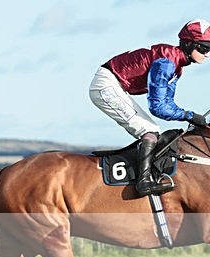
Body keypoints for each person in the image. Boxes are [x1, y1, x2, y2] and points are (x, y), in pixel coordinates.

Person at [89, 18, 210, 196]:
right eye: (204, 48)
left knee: (152, 130)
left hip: (114, 85)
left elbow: (168, 103)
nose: (207, 54)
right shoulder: (166, 62)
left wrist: (191, 117)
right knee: (149, 129)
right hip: (105, 87)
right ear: (188, 44)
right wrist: (189, 115)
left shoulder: (177, 66)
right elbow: (157, 107)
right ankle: (143, 181)